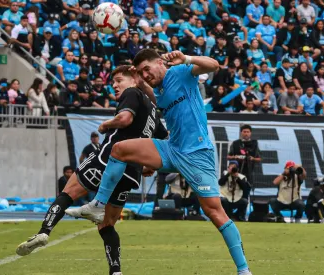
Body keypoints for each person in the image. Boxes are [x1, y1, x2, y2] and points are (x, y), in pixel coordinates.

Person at [67, 49, 252, 275]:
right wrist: (136, 74)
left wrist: (187, 58)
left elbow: (213, 65)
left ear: (159, 63)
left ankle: (244, 271)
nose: (145, 75)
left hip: (197, 153)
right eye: (141, 72)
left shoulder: (181, 71)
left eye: (147, 69)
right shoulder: (157, 89)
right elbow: (146, 88)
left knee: (214, 212)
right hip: (172, 148)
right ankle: (98, 206)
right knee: (119, 149)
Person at [16, 65, 167, 275]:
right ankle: (116, 271)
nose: (114, 86)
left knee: (67, 193)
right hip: (130, 173)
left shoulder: (132, 93)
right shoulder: (153, 112)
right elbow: (163, 140)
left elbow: (125, 119)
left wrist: (106, 124)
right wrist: (149, 163)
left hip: (108, 160)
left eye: (118, 80)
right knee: (107, 225)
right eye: (112, 82)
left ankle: (44, 232)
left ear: (134, 79)